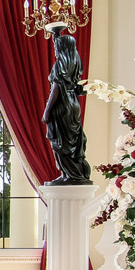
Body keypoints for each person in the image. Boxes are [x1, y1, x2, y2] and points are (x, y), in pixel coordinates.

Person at [42, 25, 92, 185]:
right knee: (72, 141)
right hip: (73, 104)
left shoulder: (59, 66)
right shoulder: (74, 64)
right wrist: (56, 34)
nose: (55, 50)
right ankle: (71, 174)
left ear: (62, 48)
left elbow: (55, 90)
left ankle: (69, 175)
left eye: (58, 47)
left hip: (61, 105)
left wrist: (47, 111)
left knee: (61, 142)